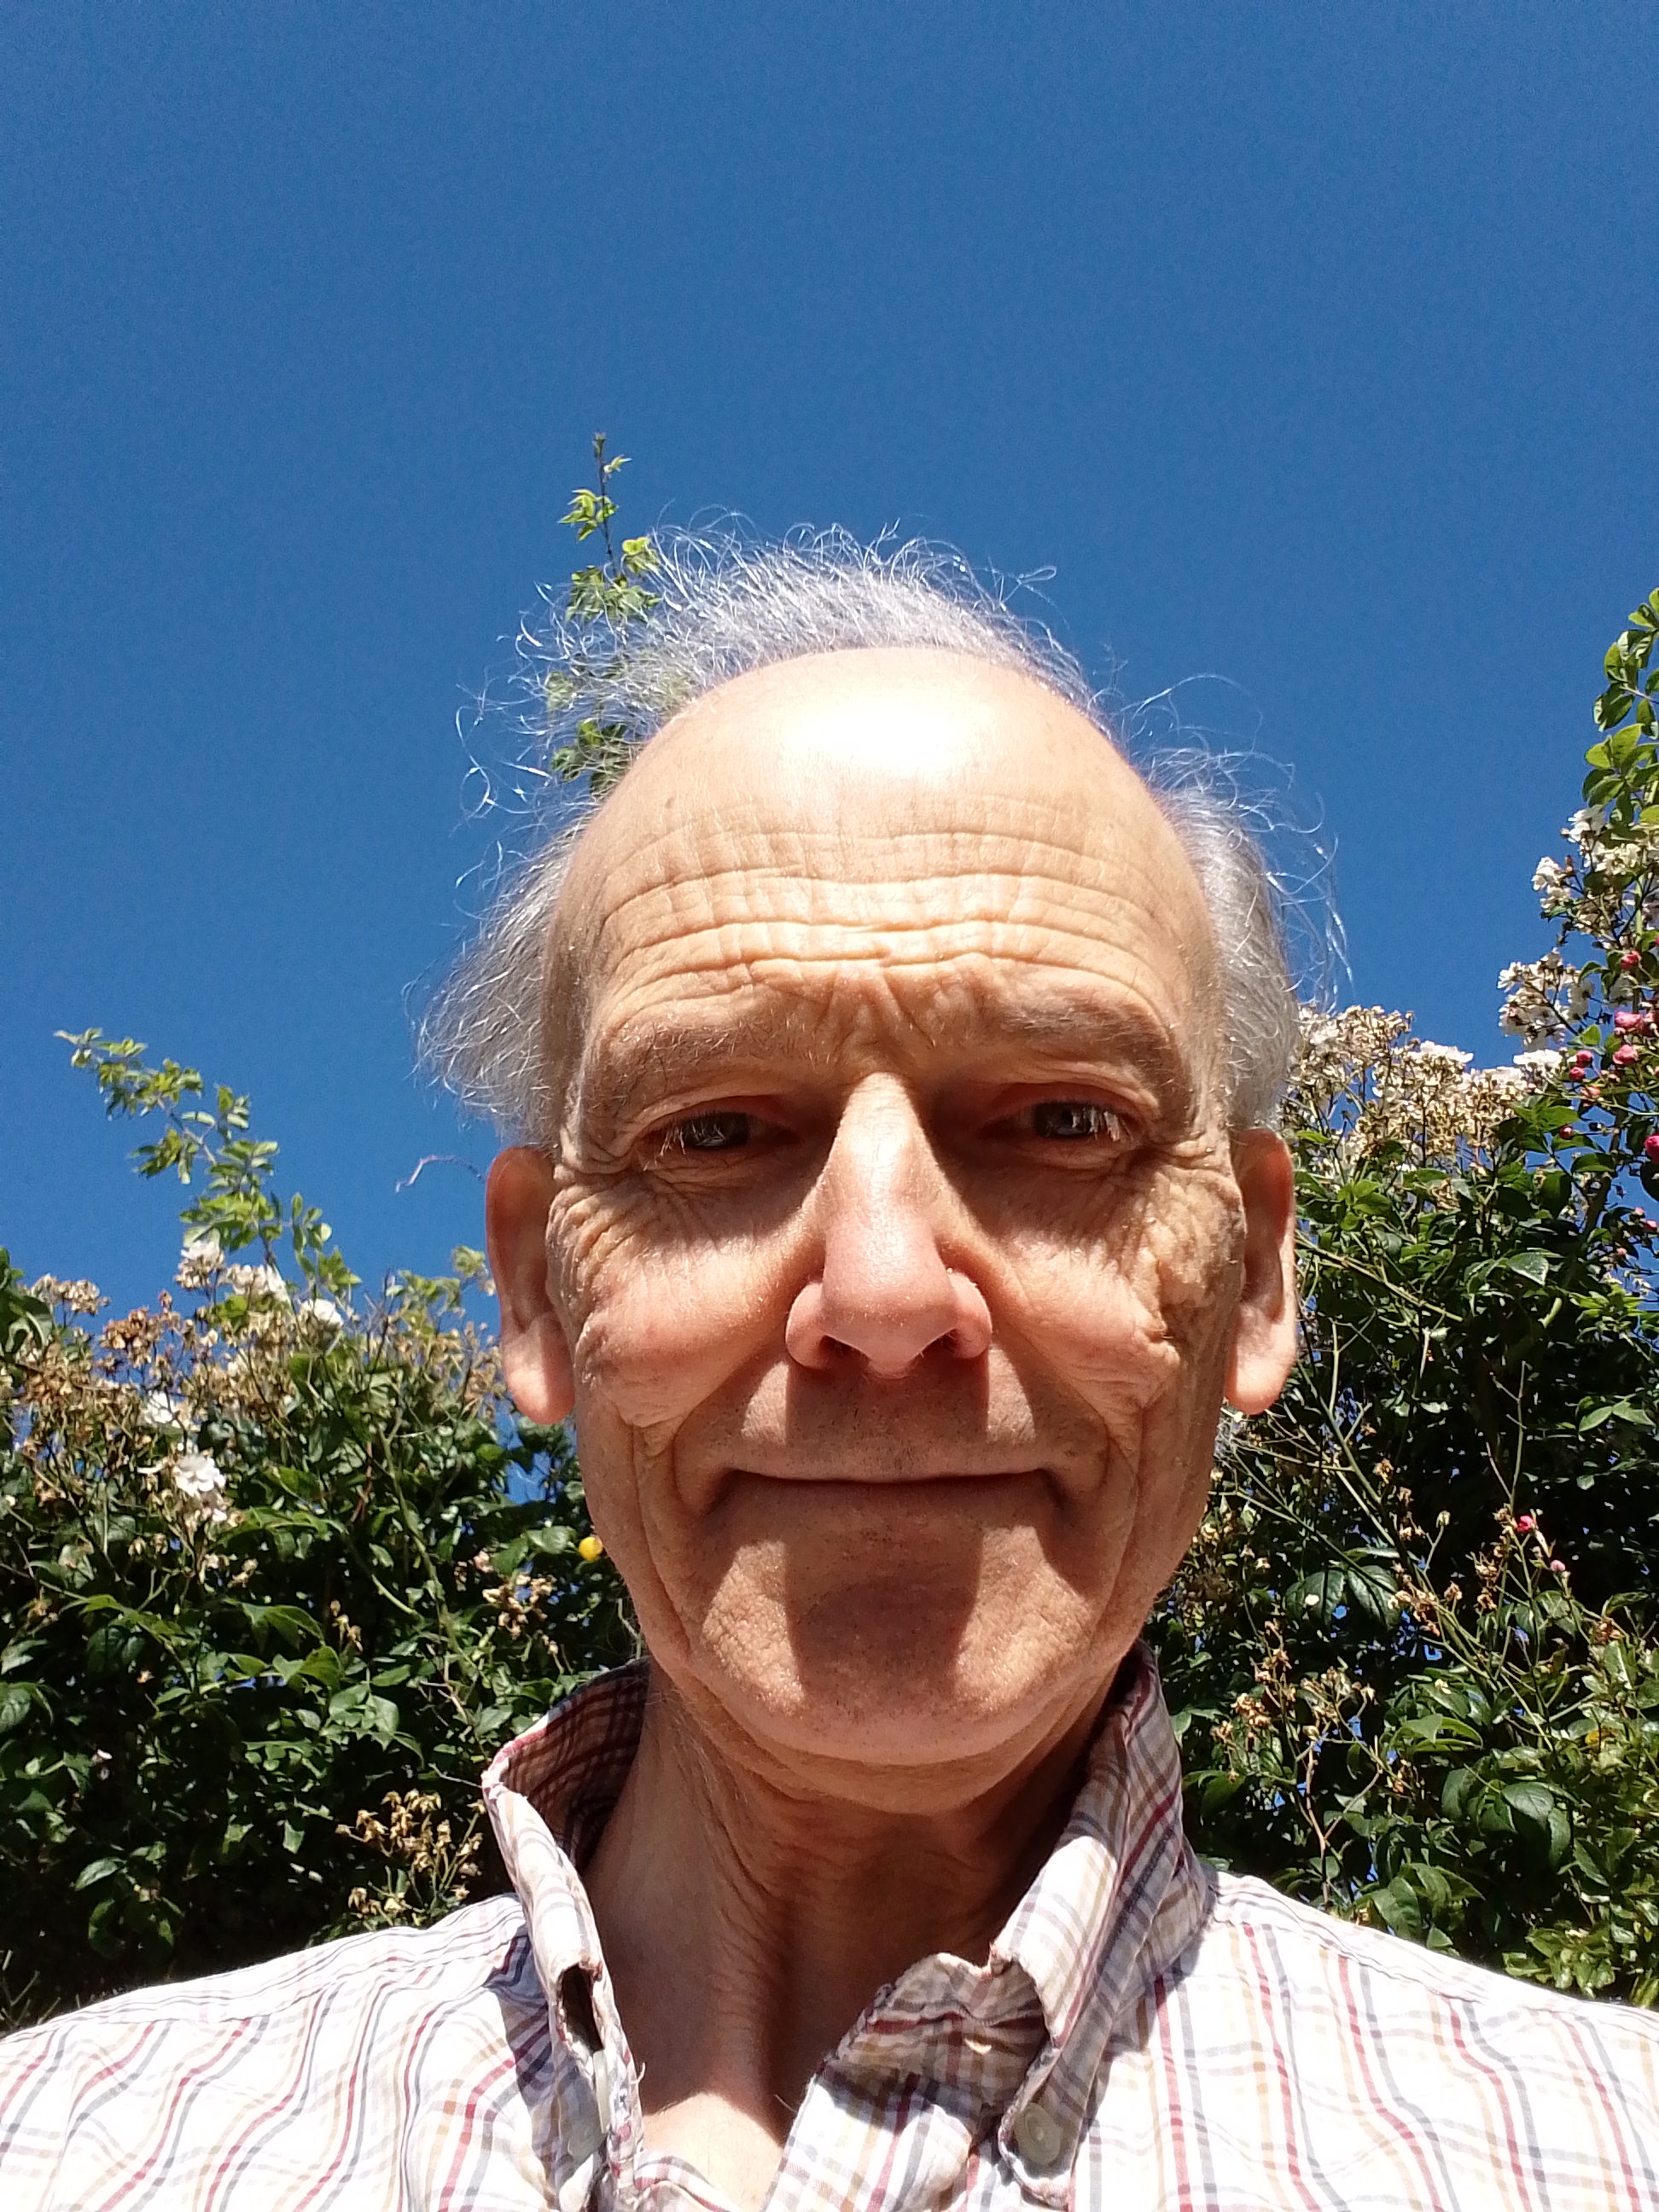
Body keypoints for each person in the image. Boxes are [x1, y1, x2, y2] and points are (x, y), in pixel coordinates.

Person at [3, 538, 1656, 2211]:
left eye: (1063, 1121)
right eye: (715, 1132)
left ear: (1254, 1274)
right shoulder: (75, 2147)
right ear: (539, 1294)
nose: (882, 1295)